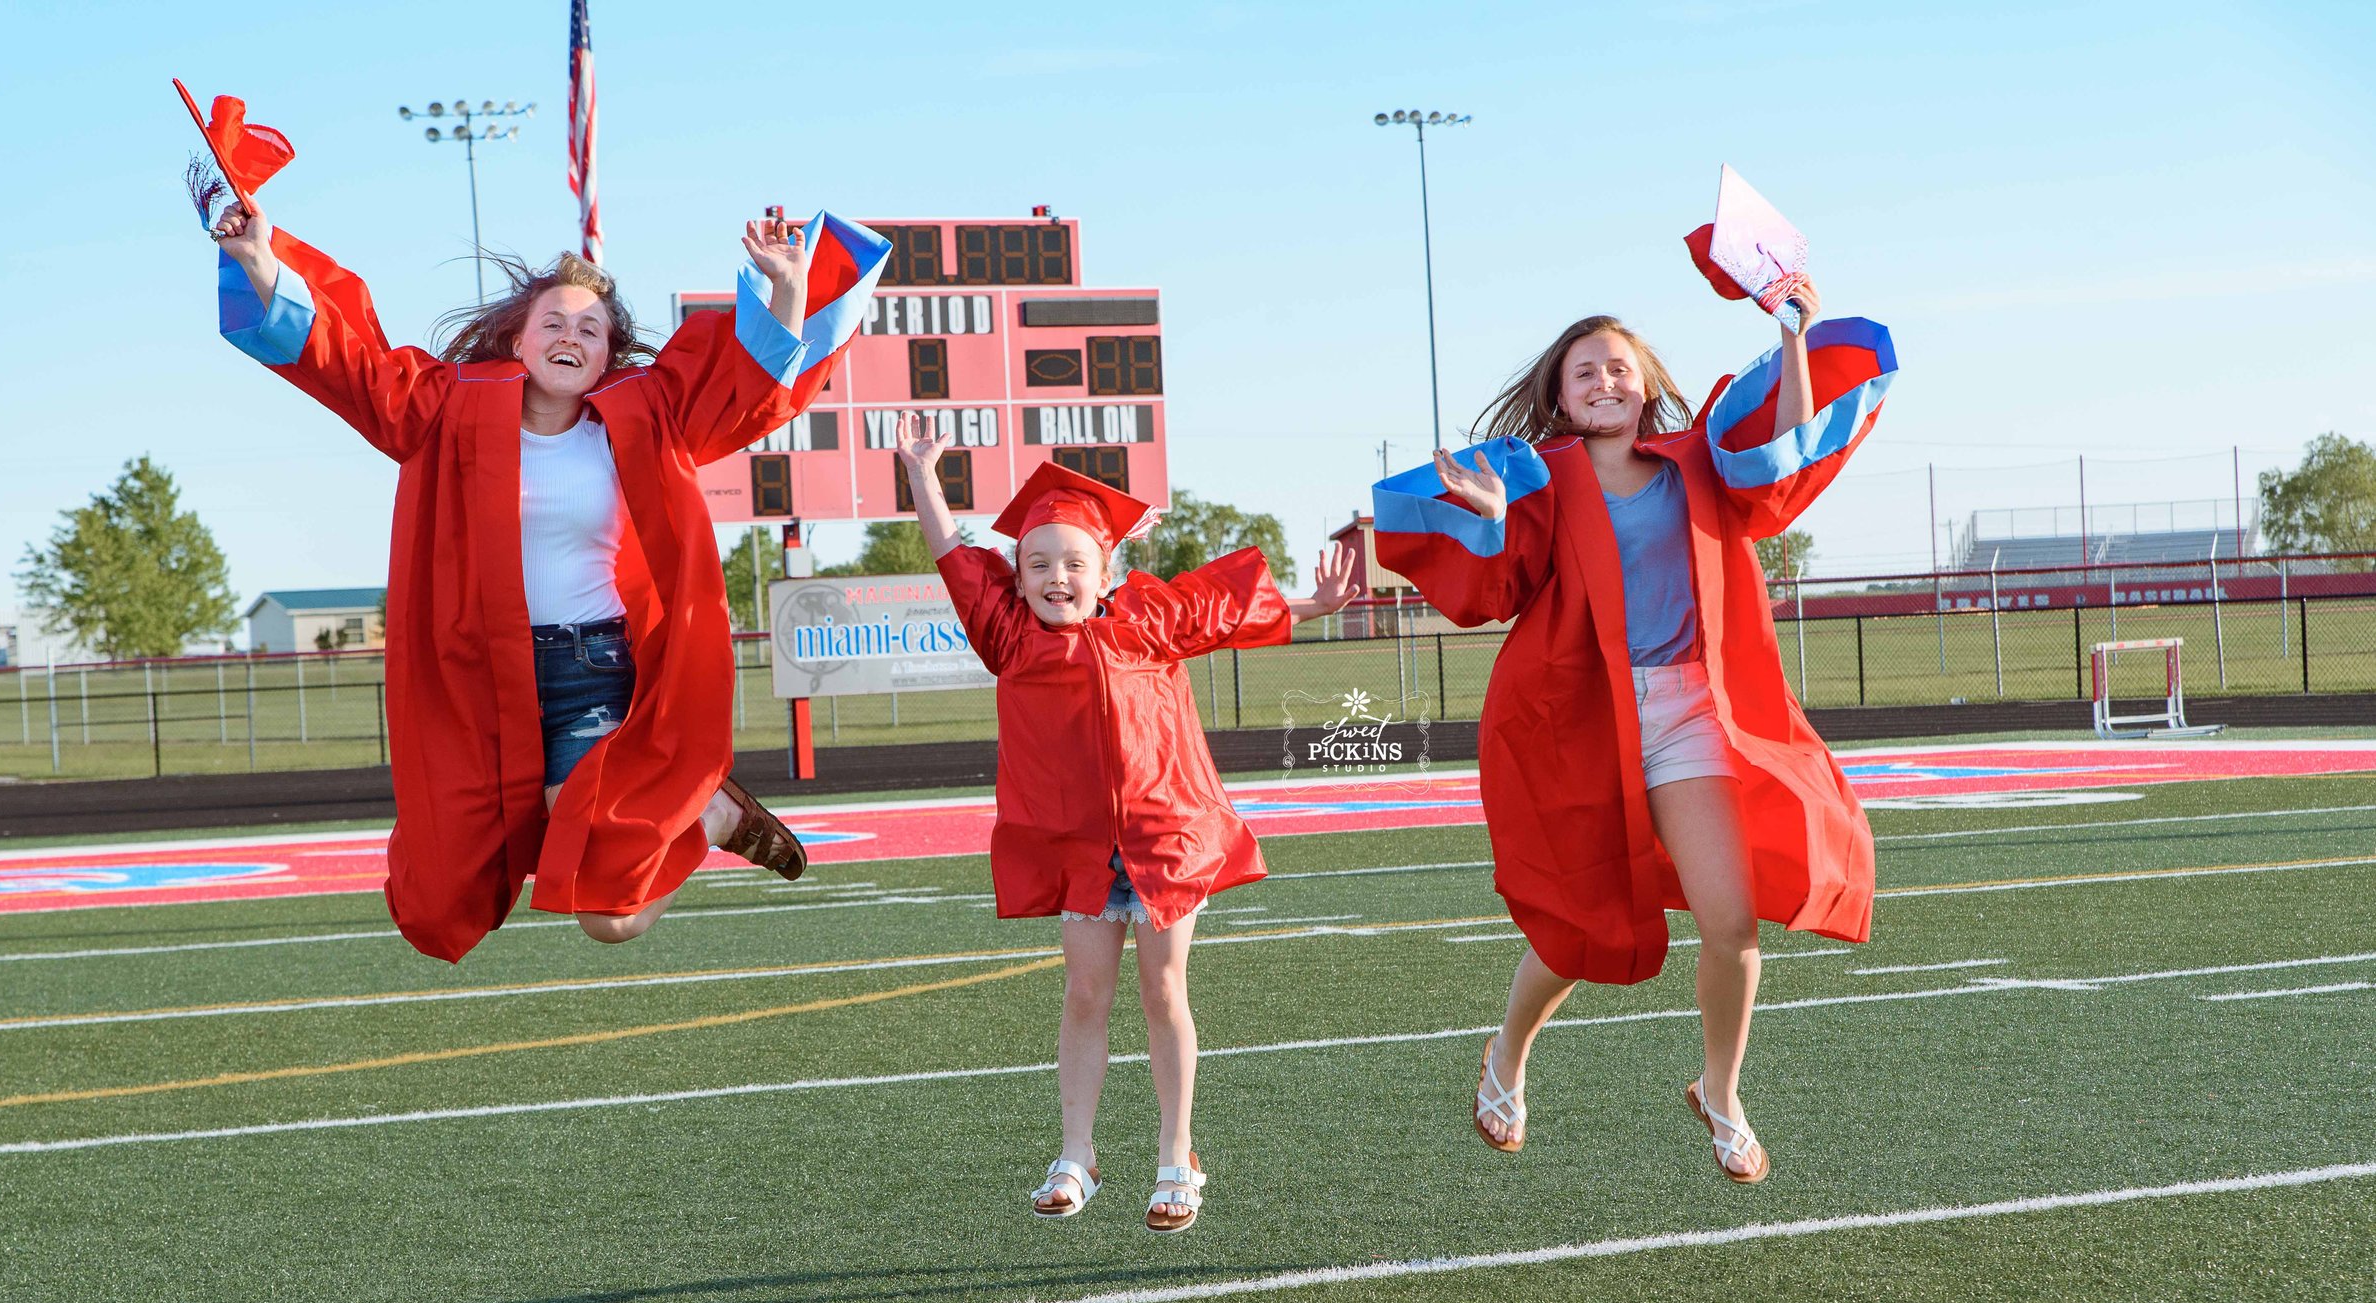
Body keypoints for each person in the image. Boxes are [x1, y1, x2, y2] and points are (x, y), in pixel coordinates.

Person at [208, 193, 888, 961]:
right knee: (443, 891)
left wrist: (787, 288)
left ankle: (711, 819)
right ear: (518, 340)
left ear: (608, 355)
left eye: (590, 329)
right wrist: (259, 259)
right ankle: (707, 817)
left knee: (612, 917)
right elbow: (349, 362)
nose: (572, 336)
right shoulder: (442, 410)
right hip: (477, 681)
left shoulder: (646, 414)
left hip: (593, 672)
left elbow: (750, 389)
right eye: (554, 324)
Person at [1372, 278, 1896, 1183]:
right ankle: (1508, 1052)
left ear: (1645, 379)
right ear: (1560, 399)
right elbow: (1488, 595)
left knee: (1730, 922)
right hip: (1585, 718)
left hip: (1690, 710)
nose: (1605, 381)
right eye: (1585, 373)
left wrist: (1795, 334)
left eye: (1619, 365)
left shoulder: (1700, 460)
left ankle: (1720, 1091)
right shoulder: (1536, 480)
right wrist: (1492, 524)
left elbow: (1789, 453)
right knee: (1584, 922)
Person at [895, 413, 1360, 1231]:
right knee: (1084, 995)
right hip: (1078, 851)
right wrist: (922, 477)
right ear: (1017, 575)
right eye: (1037, 563)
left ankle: (1178, 1156)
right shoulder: (1006, 636)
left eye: (1074, 561)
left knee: (1163, 990)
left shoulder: (1148, 621)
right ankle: (1077, 1152)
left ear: (1106, 566)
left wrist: (1313, 605)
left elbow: (1227, 612)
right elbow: (949, 558)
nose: (1055, 576)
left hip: (1162, 840)